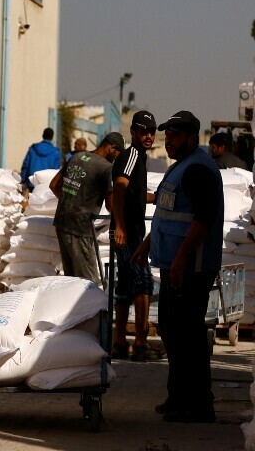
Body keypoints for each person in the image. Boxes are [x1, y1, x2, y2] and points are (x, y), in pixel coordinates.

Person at [132, 110, 223, 423]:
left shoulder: (198, 170)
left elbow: (202, 219)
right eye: (166, 136)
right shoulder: (180, 168)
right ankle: (179, 397)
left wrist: (182, 258)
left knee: (189, 337)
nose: (167, 141)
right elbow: (164, 211)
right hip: (175, 266)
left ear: (191, 137)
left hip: (191, 267)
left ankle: (198, 404)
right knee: (172, 331)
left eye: (173, 136)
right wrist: (146, 246)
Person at [110, 111, 161, 361]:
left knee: (127, 284)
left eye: (152, 131)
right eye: (143, 131)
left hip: (131, 232)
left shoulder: (139, 158)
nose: (149, 136)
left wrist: (157, 197)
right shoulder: (132, 155)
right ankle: (140, 345)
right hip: (127, 233)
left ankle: (119, 343)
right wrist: (120, 226)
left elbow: (134, 195)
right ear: (133, 133)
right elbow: (118, 189)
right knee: (143, 282)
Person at [50, 132, 124, 285]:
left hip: (62, 222)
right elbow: (110, 205)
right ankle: (93, 310)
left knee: (72, 280)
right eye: (117, 154)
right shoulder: (106, 168)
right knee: (88, 283)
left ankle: (74, 309)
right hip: (80, 228)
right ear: (111, 148)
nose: (117, 158)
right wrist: (122, 223)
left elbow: (54, 185)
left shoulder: (76, 157)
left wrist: (70, 201)